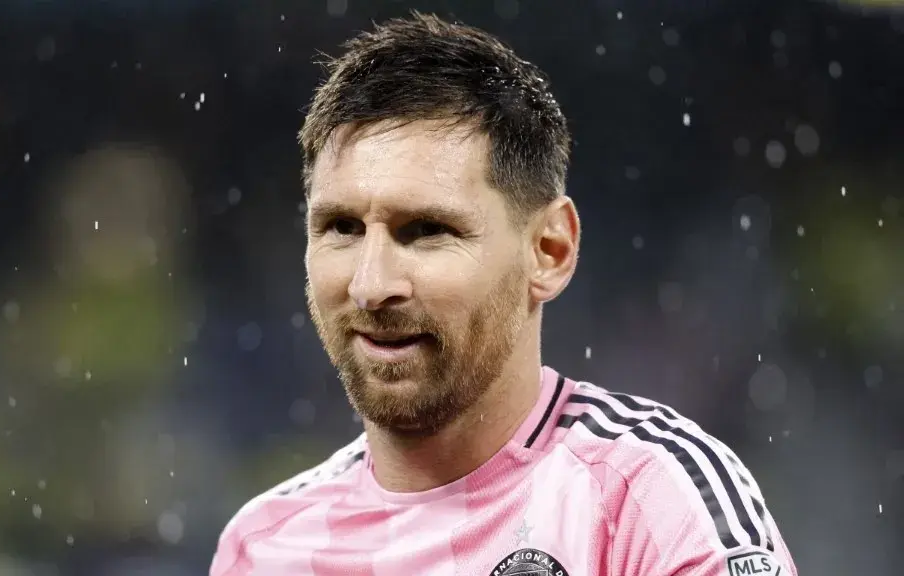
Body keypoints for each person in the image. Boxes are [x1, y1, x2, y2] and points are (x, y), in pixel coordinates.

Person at [211, 11, 797, 576]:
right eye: (342, 227)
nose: (371, 285)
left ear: (549, 251)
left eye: (427, 230)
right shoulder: (262, 548)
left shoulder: (653, 505)